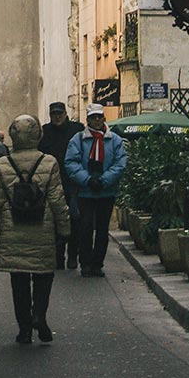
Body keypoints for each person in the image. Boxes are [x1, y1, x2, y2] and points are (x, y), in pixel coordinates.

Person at [0, 114, 70, 345]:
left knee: (19, 279)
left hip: (14, 227)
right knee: (44, 275)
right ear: (37, 135)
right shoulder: (49, 162)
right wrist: (64, 229)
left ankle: (24, 329)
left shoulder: (3, 164)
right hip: (43, 226)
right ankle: (39, 315)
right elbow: (57, 200)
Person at [64, 103, 126, 278]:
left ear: (104, 119)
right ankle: (85, 263)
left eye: (100, 117)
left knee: (102, 229)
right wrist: (87, 179)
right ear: (88, 119)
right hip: (85, 192)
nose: (97, 120)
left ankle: (97, 263)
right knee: (85, 227)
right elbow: (71, 162)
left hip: (106, 192)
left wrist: (104, 180)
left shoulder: (114, 140)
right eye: (94, 117)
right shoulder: (78, 140)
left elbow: (120, 163)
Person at [39, 101, 84, 270]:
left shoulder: (77, 130)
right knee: (54, 221)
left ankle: (72, 255)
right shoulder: (45, 132)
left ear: (65, 113)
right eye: (53, 114)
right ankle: (58, 256)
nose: (57, 117)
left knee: (74, 219)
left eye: (59, 113)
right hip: (51, 184)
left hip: (73, 183)